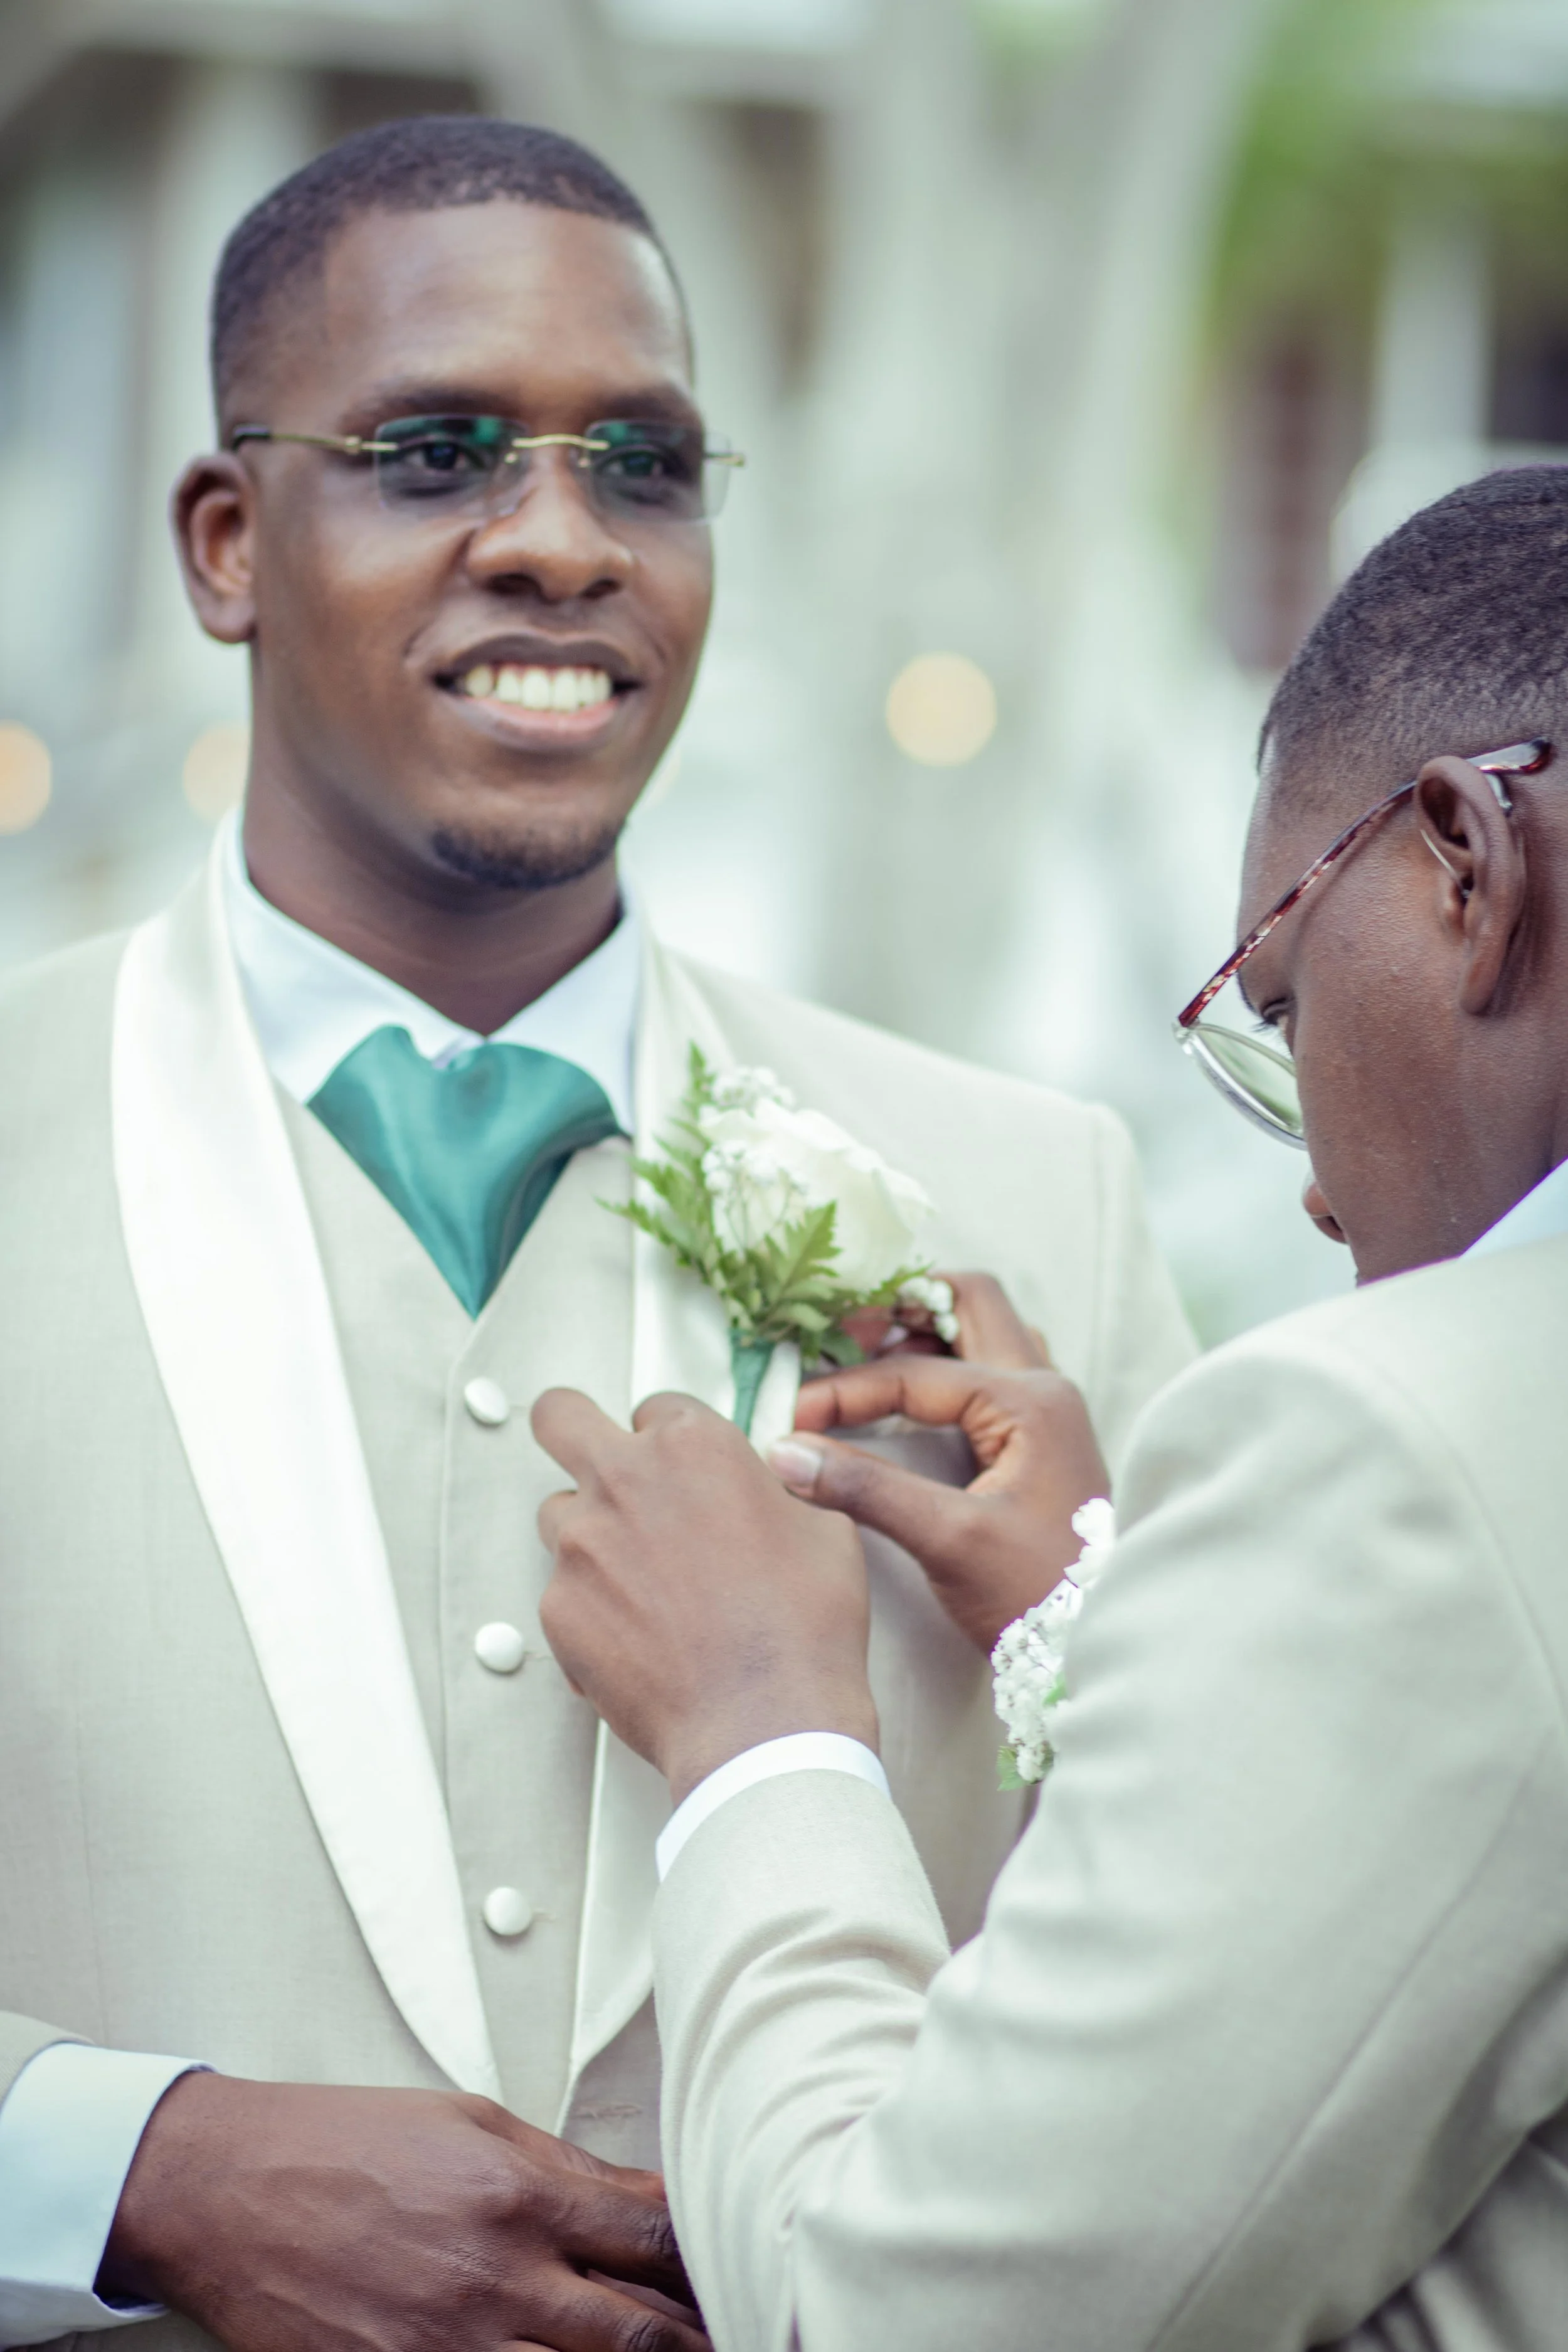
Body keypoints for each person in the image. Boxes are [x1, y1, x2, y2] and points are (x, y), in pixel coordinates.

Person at [0, 115, 1192, 2351]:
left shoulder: (1037, 1201)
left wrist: (1105, 1648)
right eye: (437, 448)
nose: (558, 542)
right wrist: (128, 2164)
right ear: (229, 539)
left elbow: (1253, 1986)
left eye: (641, 467)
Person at [534, 464, 1568, 2352]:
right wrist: (1096, 1624)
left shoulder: (1407, 1441)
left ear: (1461, 867)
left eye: (1273, 1004)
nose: (1319, 1191)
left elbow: (900, 2315)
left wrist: (760, 1730)